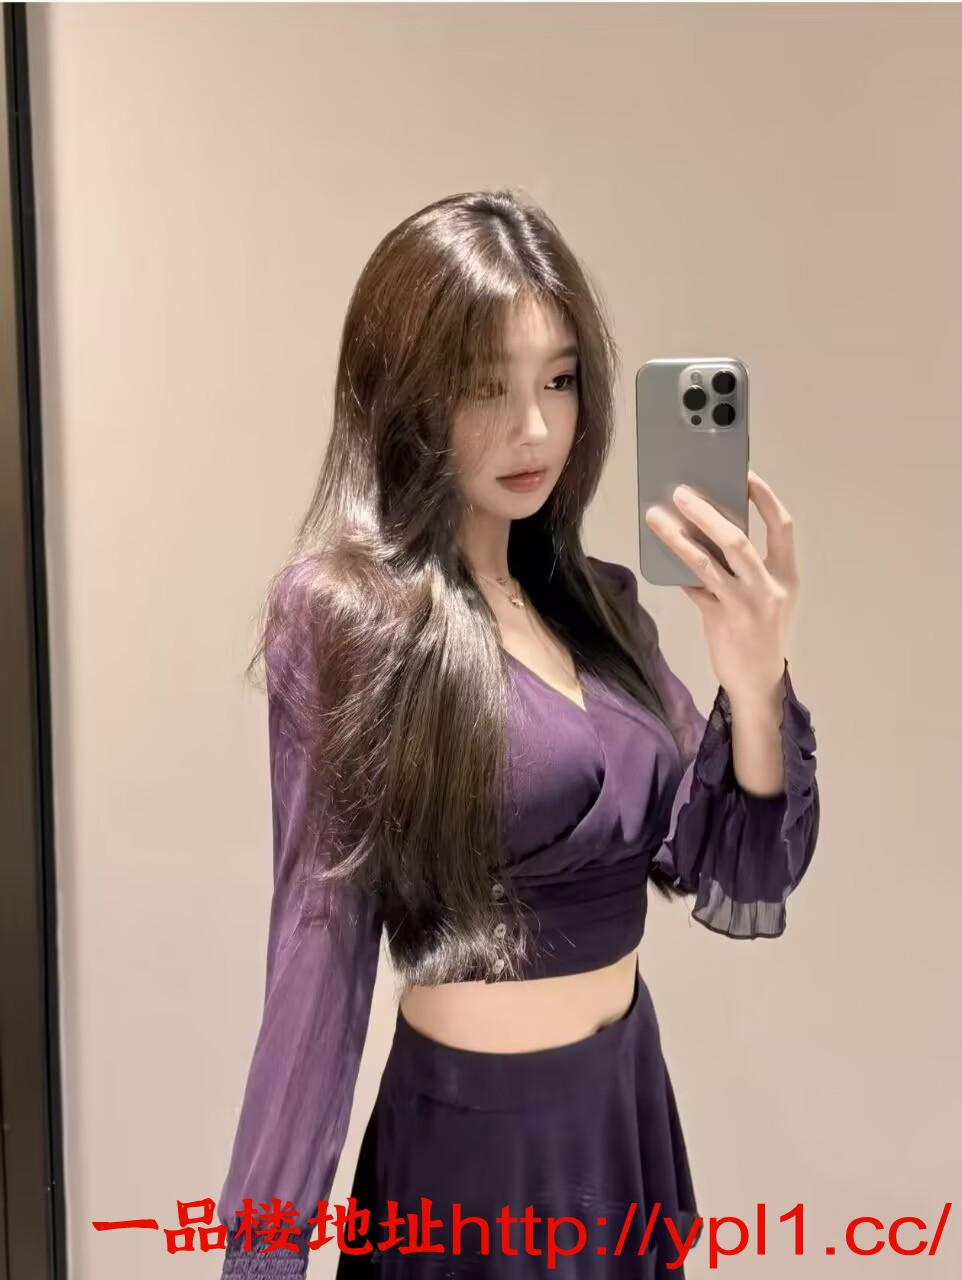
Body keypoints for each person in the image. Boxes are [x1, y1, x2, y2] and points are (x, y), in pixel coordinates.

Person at [215, 188, 820, 1278]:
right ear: (405, 389)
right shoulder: (345, 615)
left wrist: (755, 674)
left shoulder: (602, 605)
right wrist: (262, 1258)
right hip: (468, 1154)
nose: (534, 427)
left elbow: (741, 870)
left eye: (559, 380)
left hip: (618, 1118)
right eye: (485, 384)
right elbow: (318, 949)